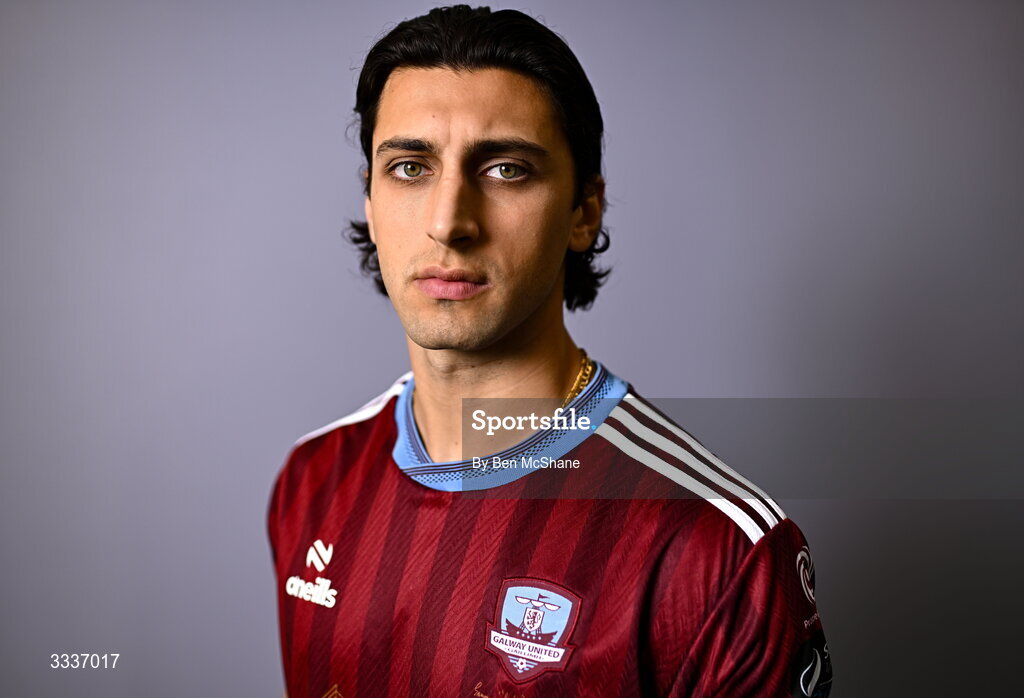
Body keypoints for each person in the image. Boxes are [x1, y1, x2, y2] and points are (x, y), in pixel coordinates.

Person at [267, 5, 833, 697]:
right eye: (410, 168)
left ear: (583, 212)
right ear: (371, 203)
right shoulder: (312, 481)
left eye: (506, 169)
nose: (448, 222)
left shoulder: (718, 551)